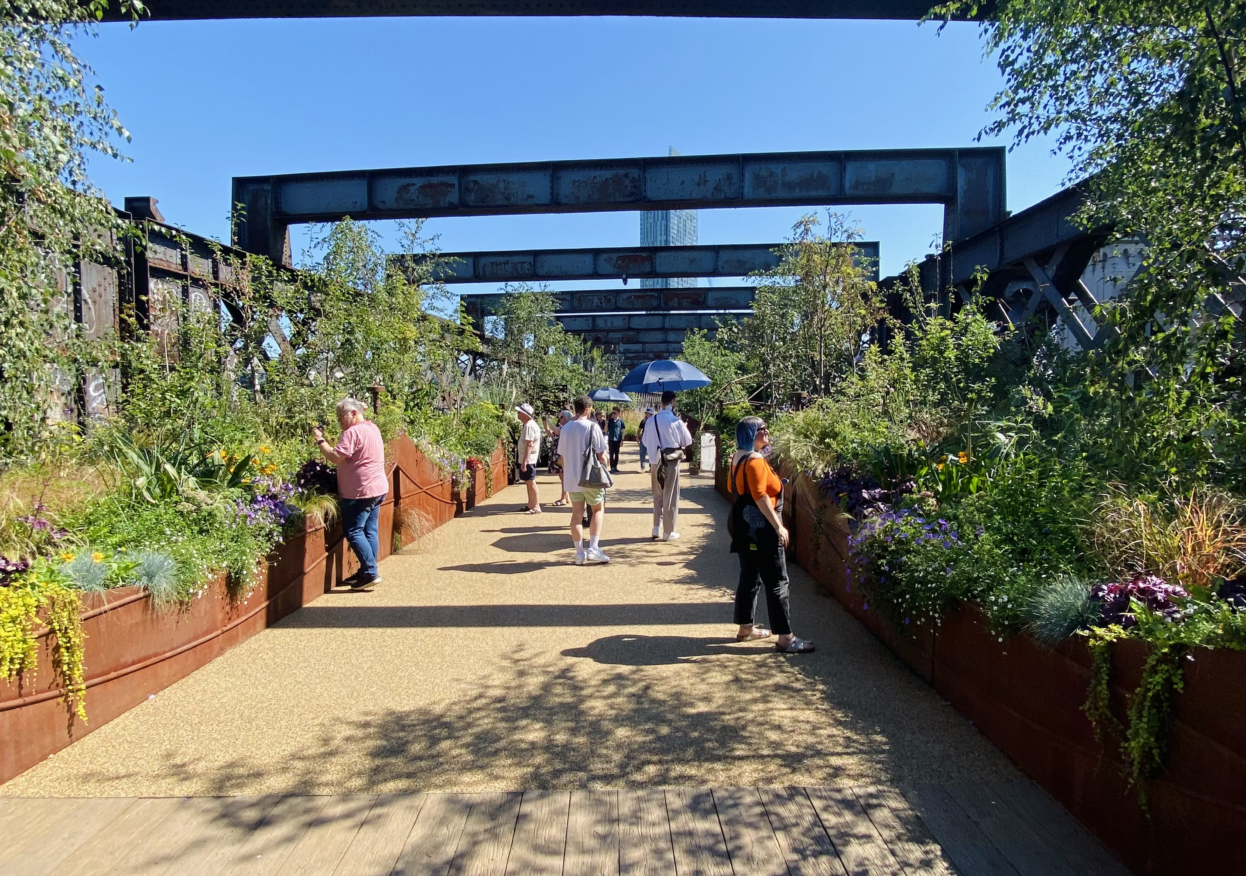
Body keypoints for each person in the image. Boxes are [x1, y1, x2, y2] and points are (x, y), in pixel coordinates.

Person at [728, 416, 814, 653]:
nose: (767, 432)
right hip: (763, 530)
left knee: (749, 576)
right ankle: (786, 638)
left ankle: (745, 628)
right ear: (750, 434)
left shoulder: (736, 457)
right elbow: (760, 495)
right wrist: (778, 526)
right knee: (778, 581)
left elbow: (732, 488)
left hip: (743, 529)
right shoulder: (755, 460)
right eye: (761, 429)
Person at [312, 398, 389, 589]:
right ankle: (366, 570)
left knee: (354, 531)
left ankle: (370, 571)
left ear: (353, 413)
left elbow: (335, 457)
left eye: (341, 416)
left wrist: (320, 440)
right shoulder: (372, 428)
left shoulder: (352, 432)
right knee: (369, 531)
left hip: (359, 491)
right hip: (377, 488)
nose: (339, 421)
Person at [556, 395, 610, 565]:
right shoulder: (593, 427)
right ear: (587, 409)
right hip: (590, 477)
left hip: (572, 478)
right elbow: (601, 455)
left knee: (576, 514)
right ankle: (593, 548)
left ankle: (579, 554)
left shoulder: (565, 428)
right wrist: (607, 461)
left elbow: (562, 457)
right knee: (598, 509)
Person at [640, 390, 693, 541]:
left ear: (662, 402)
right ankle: (668, 531)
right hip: (671, 462)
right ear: (673, 402)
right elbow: (687, 441)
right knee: (670, 495)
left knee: (657, 494)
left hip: (655, 461)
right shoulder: (676, 421)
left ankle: (656, 527)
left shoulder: (651, 420)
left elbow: (645, 442)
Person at [515, 403, 541, 514]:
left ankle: (536, 506)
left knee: (531, 482)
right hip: (527, 459)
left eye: (519, 412)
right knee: (528, 482)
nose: (518, 414)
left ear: (525, 414)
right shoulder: (529, 425)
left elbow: (530, 444)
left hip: (529, 460)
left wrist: (525, 461)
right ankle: (531, 504)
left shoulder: (529, 425)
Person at [547, 410, 572, 506]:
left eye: (561, 417)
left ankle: (563, 498)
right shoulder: (564, 427)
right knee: (562, 476)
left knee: (564, 475)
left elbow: (557, 432)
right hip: (559, 454)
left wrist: (549, 421)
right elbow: (551, 433)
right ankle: (565, 496)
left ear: (567, 418)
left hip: (564, 455)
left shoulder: (567, 428)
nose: (559, 419)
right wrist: (545, 423)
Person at [607, 407, 625, 473]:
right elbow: (606, 430)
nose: (614, 414)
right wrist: (606, 423)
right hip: (611, 439)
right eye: (613, 412)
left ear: (618, 413)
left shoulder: (621, 421)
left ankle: (615, 467)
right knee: (611, 453)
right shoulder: (610, 421)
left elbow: (623, 431)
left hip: (618, 439)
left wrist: (622, 440)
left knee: (617, 453)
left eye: (615, 412)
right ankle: (612, 468)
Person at [637, 407, 654, 472]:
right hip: (644, 438)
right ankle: (643, 467)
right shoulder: (643, 421)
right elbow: (639, 430)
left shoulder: (654, 422)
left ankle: (651, 467)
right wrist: (637, 437)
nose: (647, 414)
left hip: (651, 438)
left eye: (648, 413)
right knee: (642, 453)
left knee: (651, 453)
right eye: (646, 413)